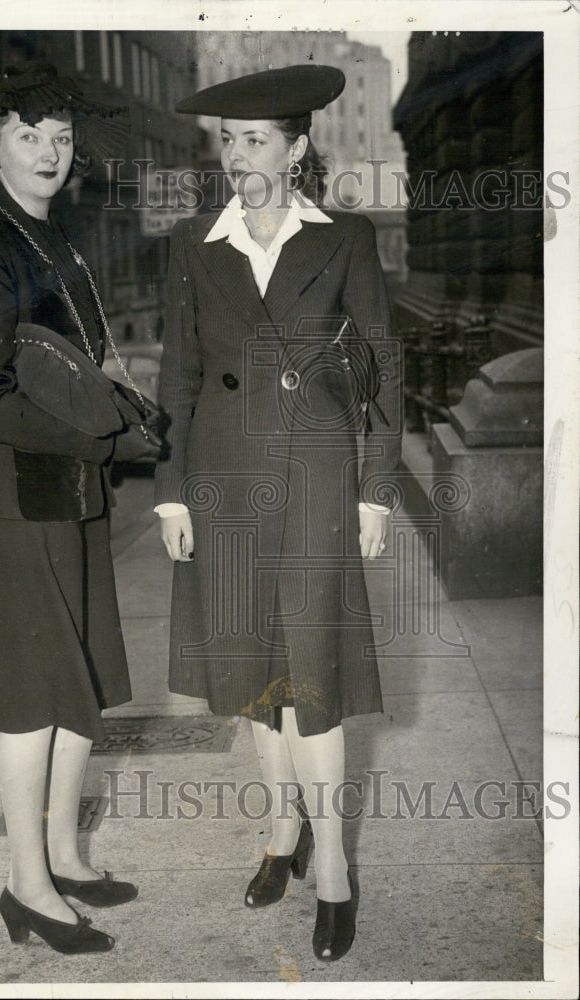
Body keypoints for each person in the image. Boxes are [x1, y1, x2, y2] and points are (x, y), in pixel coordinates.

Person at [154, 65, 402, 962]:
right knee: (250, 672)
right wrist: (171, 489)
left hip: (315, 475)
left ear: (297, 149)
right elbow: (177, 373)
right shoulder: (193, 242)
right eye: (228, 140)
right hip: (221, 479)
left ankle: (332, 866)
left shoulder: (343, 239)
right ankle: (279, 833)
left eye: (256, 139)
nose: (238, 156)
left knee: (313, 673)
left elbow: (381, 365)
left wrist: (374, 490)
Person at [0, 63, 139, 954]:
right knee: (30, 698)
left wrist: (123, 407)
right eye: (29, 135)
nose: (50, 153)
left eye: (61, 137)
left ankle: (62, 852)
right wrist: (99, 440)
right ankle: (26, 887)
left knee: (77, 682)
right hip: (13, 507)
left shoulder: (56, 238)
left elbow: (74, 368)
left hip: (67, 497)